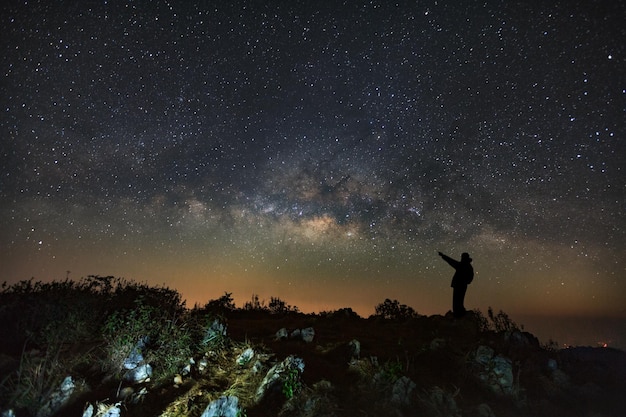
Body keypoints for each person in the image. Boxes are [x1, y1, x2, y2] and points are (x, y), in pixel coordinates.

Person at [438, 251, 474, 318]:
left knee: (457, 300)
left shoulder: (462, 265)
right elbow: (471, 276)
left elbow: (451, 261)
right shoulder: (468, 266)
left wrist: (443, 256)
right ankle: (459, 312)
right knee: (459, 299)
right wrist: (467, 281)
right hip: (462, 285)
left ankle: (458, 313)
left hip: (459, 285)